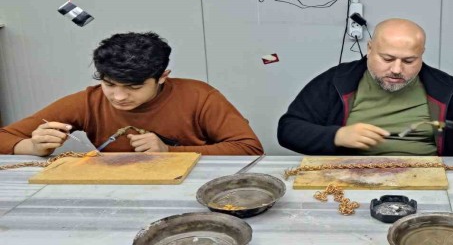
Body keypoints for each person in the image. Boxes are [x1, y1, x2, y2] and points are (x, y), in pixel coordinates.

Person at [0, 32, 263, 156]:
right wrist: (32, 147)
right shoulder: (89, 102)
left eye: (134, 87)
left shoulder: (200, 96)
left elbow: (249, 148)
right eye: (109, 84)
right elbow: (5, 137)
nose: (118, 97)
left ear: (162, 77)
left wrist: (170, 151)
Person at [278, 18, 453, 156]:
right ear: (369, 49)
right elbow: (288, 130)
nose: (396, 69)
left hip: (429, 179)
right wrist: (336, 136)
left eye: (409, 61)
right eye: (387, 59)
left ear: (422, 55)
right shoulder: (337, 81)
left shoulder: (444, 87)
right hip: (349, 177)